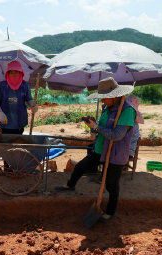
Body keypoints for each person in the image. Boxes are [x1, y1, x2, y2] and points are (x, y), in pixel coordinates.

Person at [56, 77, 136, 222]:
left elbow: (117, 135)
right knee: (80, 166)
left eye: (104, 98)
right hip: (101, 149)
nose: (102, 101)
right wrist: (95, 124)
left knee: (111, 185)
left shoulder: (127, 111)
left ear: (114, 96)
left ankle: (110, 212)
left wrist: (97, 127)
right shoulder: (108, 108)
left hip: (115, 154)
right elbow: (103, 127)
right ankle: (70, 185)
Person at [0, 60, 38, 134]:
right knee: (6, 143)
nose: (14, 74)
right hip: (5, 122)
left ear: (20, 73)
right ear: (8, 73)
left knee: (18, 141)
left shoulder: (25, 85)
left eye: (16, 71)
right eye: (11, 72)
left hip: (20, 121)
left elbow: (29, 99)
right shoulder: (2, 85)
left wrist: (33, 106)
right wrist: (0, 113)